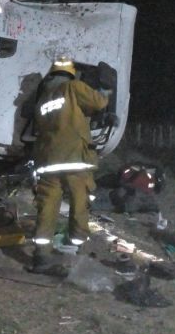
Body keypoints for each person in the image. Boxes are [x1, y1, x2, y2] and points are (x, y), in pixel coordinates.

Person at [29, 57, 116, 275]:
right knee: (80, 202)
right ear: (70, 73)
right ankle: (75, 249)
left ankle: (41, 256)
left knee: (47, 208)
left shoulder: (43, 98)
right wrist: (106, 89)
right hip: (74, 159)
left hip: (48, 161)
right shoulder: (73, 87)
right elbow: (98, 103)